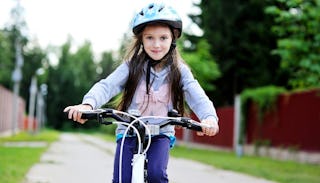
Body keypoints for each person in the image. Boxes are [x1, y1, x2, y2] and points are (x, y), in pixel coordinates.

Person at [64, 2, 219, 183]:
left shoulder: (179, 71)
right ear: (141, 40)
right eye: (149, 38)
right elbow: (107, 86)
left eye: (163, 38)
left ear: (173, 38)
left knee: (156, 174)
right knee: (122, 179)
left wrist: (209, 118)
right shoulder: (132, 66)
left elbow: (197, 96)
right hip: (129, 132)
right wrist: (88, 104)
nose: (156, 44)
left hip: (161, 134)